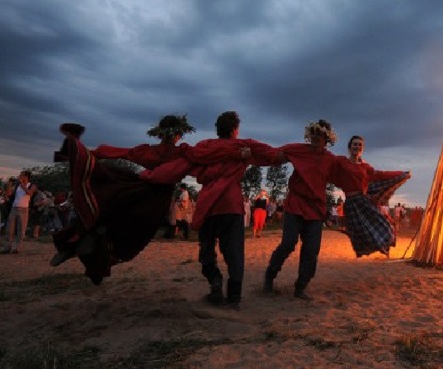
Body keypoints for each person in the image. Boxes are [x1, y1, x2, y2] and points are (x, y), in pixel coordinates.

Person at [142, 111, 281, 308]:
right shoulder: (242, 146)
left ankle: (215, 281)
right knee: (234, 254)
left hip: (209, 206)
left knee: (206, 250)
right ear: (235, 130)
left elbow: (186, 156)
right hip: (231, 206)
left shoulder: (205, 147)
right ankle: (233, 299)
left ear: (218, 129)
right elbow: (272, 155)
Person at [49, 118, 190, 284]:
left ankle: (81, 241)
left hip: (137, 190)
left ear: (160, 132)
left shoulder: (148, 151)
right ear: (179, 135)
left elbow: (118, 152)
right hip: (156, 202)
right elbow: (202, 160)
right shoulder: (182, 154)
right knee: (133, 238)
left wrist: (91, 154)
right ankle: (97, 260)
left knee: (110, 212)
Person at [263, 119, 340, 301]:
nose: (315, 137)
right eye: (313, 133)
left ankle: (300, 287)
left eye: (319, 135)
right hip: (295, 204)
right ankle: (270, 275)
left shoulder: (330, 160)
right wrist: (253, 154)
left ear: (326, 139)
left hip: (315, 209)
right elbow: (274, 154)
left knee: (311, 249)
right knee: (289, 243)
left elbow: (348, 174)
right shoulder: (298, 149)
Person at [332, 135, 411, 257]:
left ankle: (384, 247)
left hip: (363, 201)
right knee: (359, 233)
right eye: (355, 144)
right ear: (349, 147)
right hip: (351, 204)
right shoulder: (341, 161)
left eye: (360, 145)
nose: (357, 146)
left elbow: (379, 174)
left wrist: (400, 173)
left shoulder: (364, 166)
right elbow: (326, 163)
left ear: (362, 149)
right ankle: (370, 247)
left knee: (383, 223)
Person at [2, 171, 38, 254]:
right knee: (9, 229)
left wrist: (22, 184)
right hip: (14, 208)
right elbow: (9, 194)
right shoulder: (17, 185)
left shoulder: (32, 186)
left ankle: (17, 248)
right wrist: (9, 184)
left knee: (21, 230)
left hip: (24, 210)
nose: (19, 177)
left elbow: (30, 193)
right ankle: (7, 247)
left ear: (26, 177)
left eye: (21, 176)